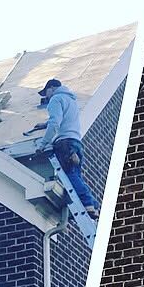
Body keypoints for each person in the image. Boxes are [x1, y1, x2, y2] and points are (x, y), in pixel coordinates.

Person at [25, 78, 99, 218]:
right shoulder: (71, 100)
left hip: (64, 144)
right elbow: (64, 118)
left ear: (52, 88)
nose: (46, 97)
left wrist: (43, 144)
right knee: (76, 176)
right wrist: (45, 124)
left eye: (46, 92)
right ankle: (93, 205)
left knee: (70, 175)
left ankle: (88, 203)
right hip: (76, 143)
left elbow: (55, 123)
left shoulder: (56, 99)